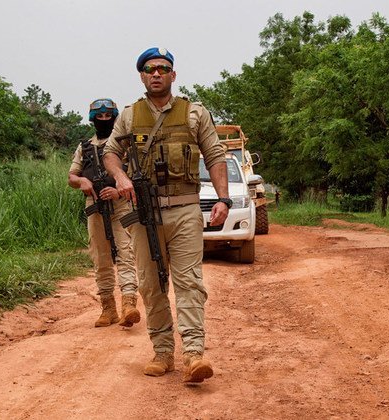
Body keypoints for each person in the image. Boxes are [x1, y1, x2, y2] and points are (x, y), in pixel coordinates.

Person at [102, 47, 229, 383]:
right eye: (149, 69)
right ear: (142, 75)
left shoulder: (194, 113)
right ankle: (162, 353)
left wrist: (224, 199)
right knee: (150, 283)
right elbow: (111, 153)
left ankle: (193, 354)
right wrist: (121, 176)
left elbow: (215, 155)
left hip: (186, 208)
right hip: (145, 213)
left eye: (163, 68)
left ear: (173, 75)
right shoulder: (129, 116)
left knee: (189, 282)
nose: (156, 73)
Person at [68, 98, 140, 329]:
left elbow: (138, 175)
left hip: (122, 205)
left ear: (114, 117)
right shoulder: (85, 147)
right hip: (95, 204)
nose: (104, 120)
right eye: (99, 116)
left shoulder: (123, 144)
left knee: (126, 251)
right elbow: (72, 176)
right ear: (93, 119)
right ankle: (108, 308)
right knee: (100, 256)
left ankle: (129, 303)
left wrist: (119, 189)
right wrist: (82, 181)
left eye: (108, 116)